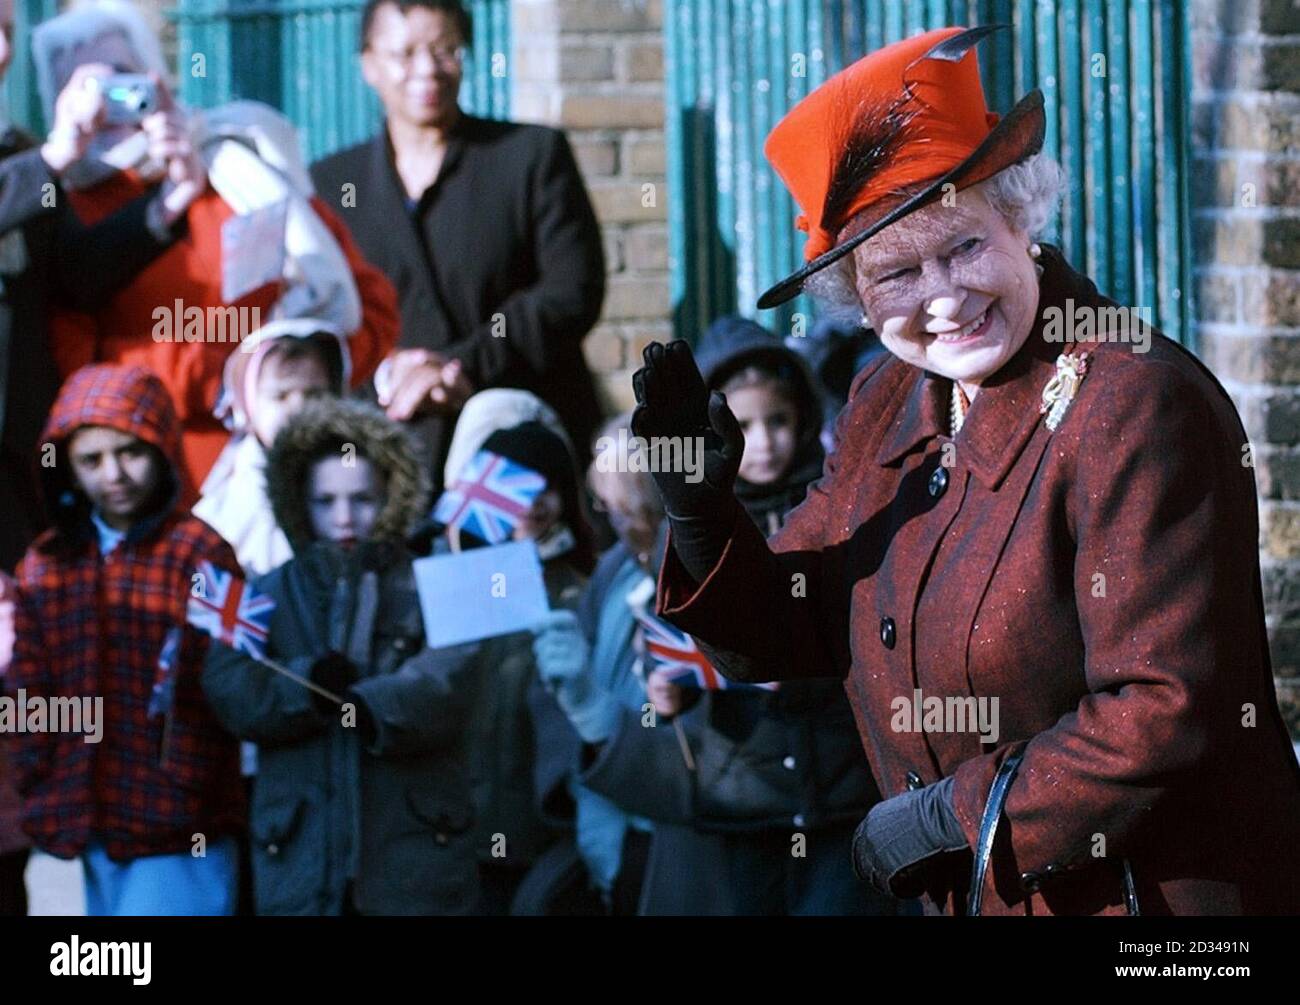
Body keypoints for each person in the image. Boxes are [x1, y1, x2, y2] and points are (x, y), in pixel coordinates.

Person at [632, 26, 1300, 916]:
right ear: (858, 303)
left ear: (1021, 221)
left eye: (964, 247)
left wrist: (950, 817)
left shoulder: (1133, 401)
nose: (943, 297)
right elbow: (791, 629)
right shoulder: (888, 399)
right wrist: (701, 514)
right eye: (898, 273)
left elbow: (1164, 706)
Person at [39, 1, 399, 500]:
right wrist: (218, 374)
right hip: (160, 498)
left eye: (120, 81)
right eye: (77, 90)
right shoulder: (58, 213)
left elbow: (365, 305)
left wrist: (302, 387)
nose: (102, 107)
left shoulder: (242, 169)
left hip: (291, 487)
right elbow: (78, 376)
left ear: (155, 78)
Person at [202, 399, 482, 915]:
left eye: (363, 499)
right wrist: (304, 688)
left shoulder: (432, 580)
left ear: (392, 495)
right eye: (324, 500)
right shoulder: (267, 592)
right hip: (301, 849)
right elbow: (229, 684)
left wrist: (370, 702)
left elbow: (454, 676)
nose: (344, 517)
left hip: (413, 850)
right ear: (296, 502)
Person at [311, 0, 605, 490]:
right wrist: (390, 376)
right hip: (386, 457)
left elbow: (572, 290)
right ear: (368, 64)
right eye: (404, 54)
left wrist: (458, 367)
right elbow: (322, 314)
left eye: (445, 50)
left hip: (519, 449)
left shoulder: (528, 157)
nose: (427, 70)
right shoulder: (333, 183)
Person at [5, 364, 244, 915]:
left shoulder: (200, 553)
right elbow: (26, 690)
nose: (114, 473)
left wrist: (189, 774)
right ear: (67, 467)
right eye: (91, 459)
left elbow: (235, 681)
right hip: (81, 816)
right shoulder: (48, 563)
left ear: (162, 448)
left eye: (130, 451)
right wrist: (37, 773)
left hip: (181, 823)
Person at [435, 392, 595, 913]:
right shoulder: (447, 579)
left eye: (549, 484)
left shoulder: (582, 587)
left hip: (544, 824)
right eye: (517, 482)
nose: (533, 500)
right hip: (453, 824)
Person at [194, 320, 350, 576]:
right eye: (280, 396)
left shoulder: (356, 472)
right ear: (248, 406)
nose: (299, 410)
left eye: (315, 395)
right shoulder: (221, 513)